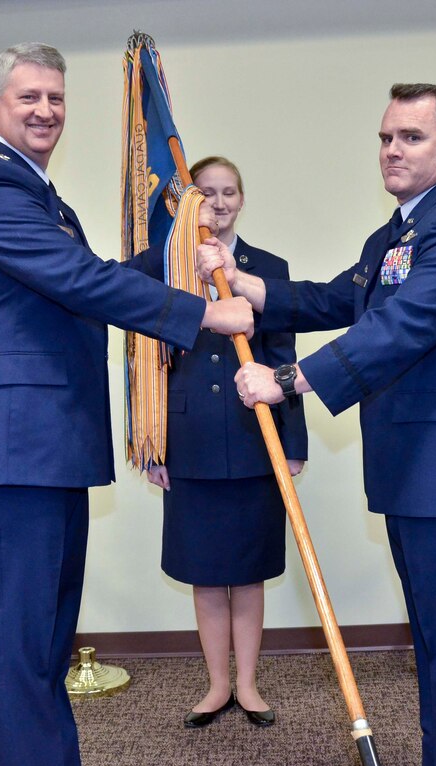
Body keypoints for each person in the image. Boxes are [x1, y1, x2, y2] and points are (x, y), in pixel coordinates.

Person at [0, 43, 252, 766]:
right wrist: (202, 313)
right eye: (28, 97)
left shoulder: (42, 197)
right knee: (17, 642)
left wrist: (183, 241)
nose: (44, 110)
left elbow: (93, 278)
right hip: (14, 450)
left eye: (55, 97)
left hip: (46, 445)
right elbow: (79, 280)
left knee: (46, 635)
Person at [198, 84, 436, 766]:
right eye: (385, 138)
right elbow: (339, 298)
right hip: (413, 471)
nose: (392, 151)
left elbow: (396, 329)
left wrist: (287, 380)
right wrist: (248, 283)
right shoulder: (396, 235)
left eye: (410, 137)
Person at [145, 156, 308, 728]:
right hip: (188, 441)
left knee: (249, 567)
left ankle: (248, 684)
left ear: (242, 199)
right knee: (206, 570)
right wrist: (152, 444)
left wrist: (293, 445)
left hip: (254, 435)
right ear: (189, 201)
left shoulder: (269, 269)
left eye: (228, 192)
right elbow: (144, 368)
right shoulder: (161, 267)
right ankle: (216, 685)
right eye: (206, 192)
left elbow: (284, 360)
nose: (217, 202)